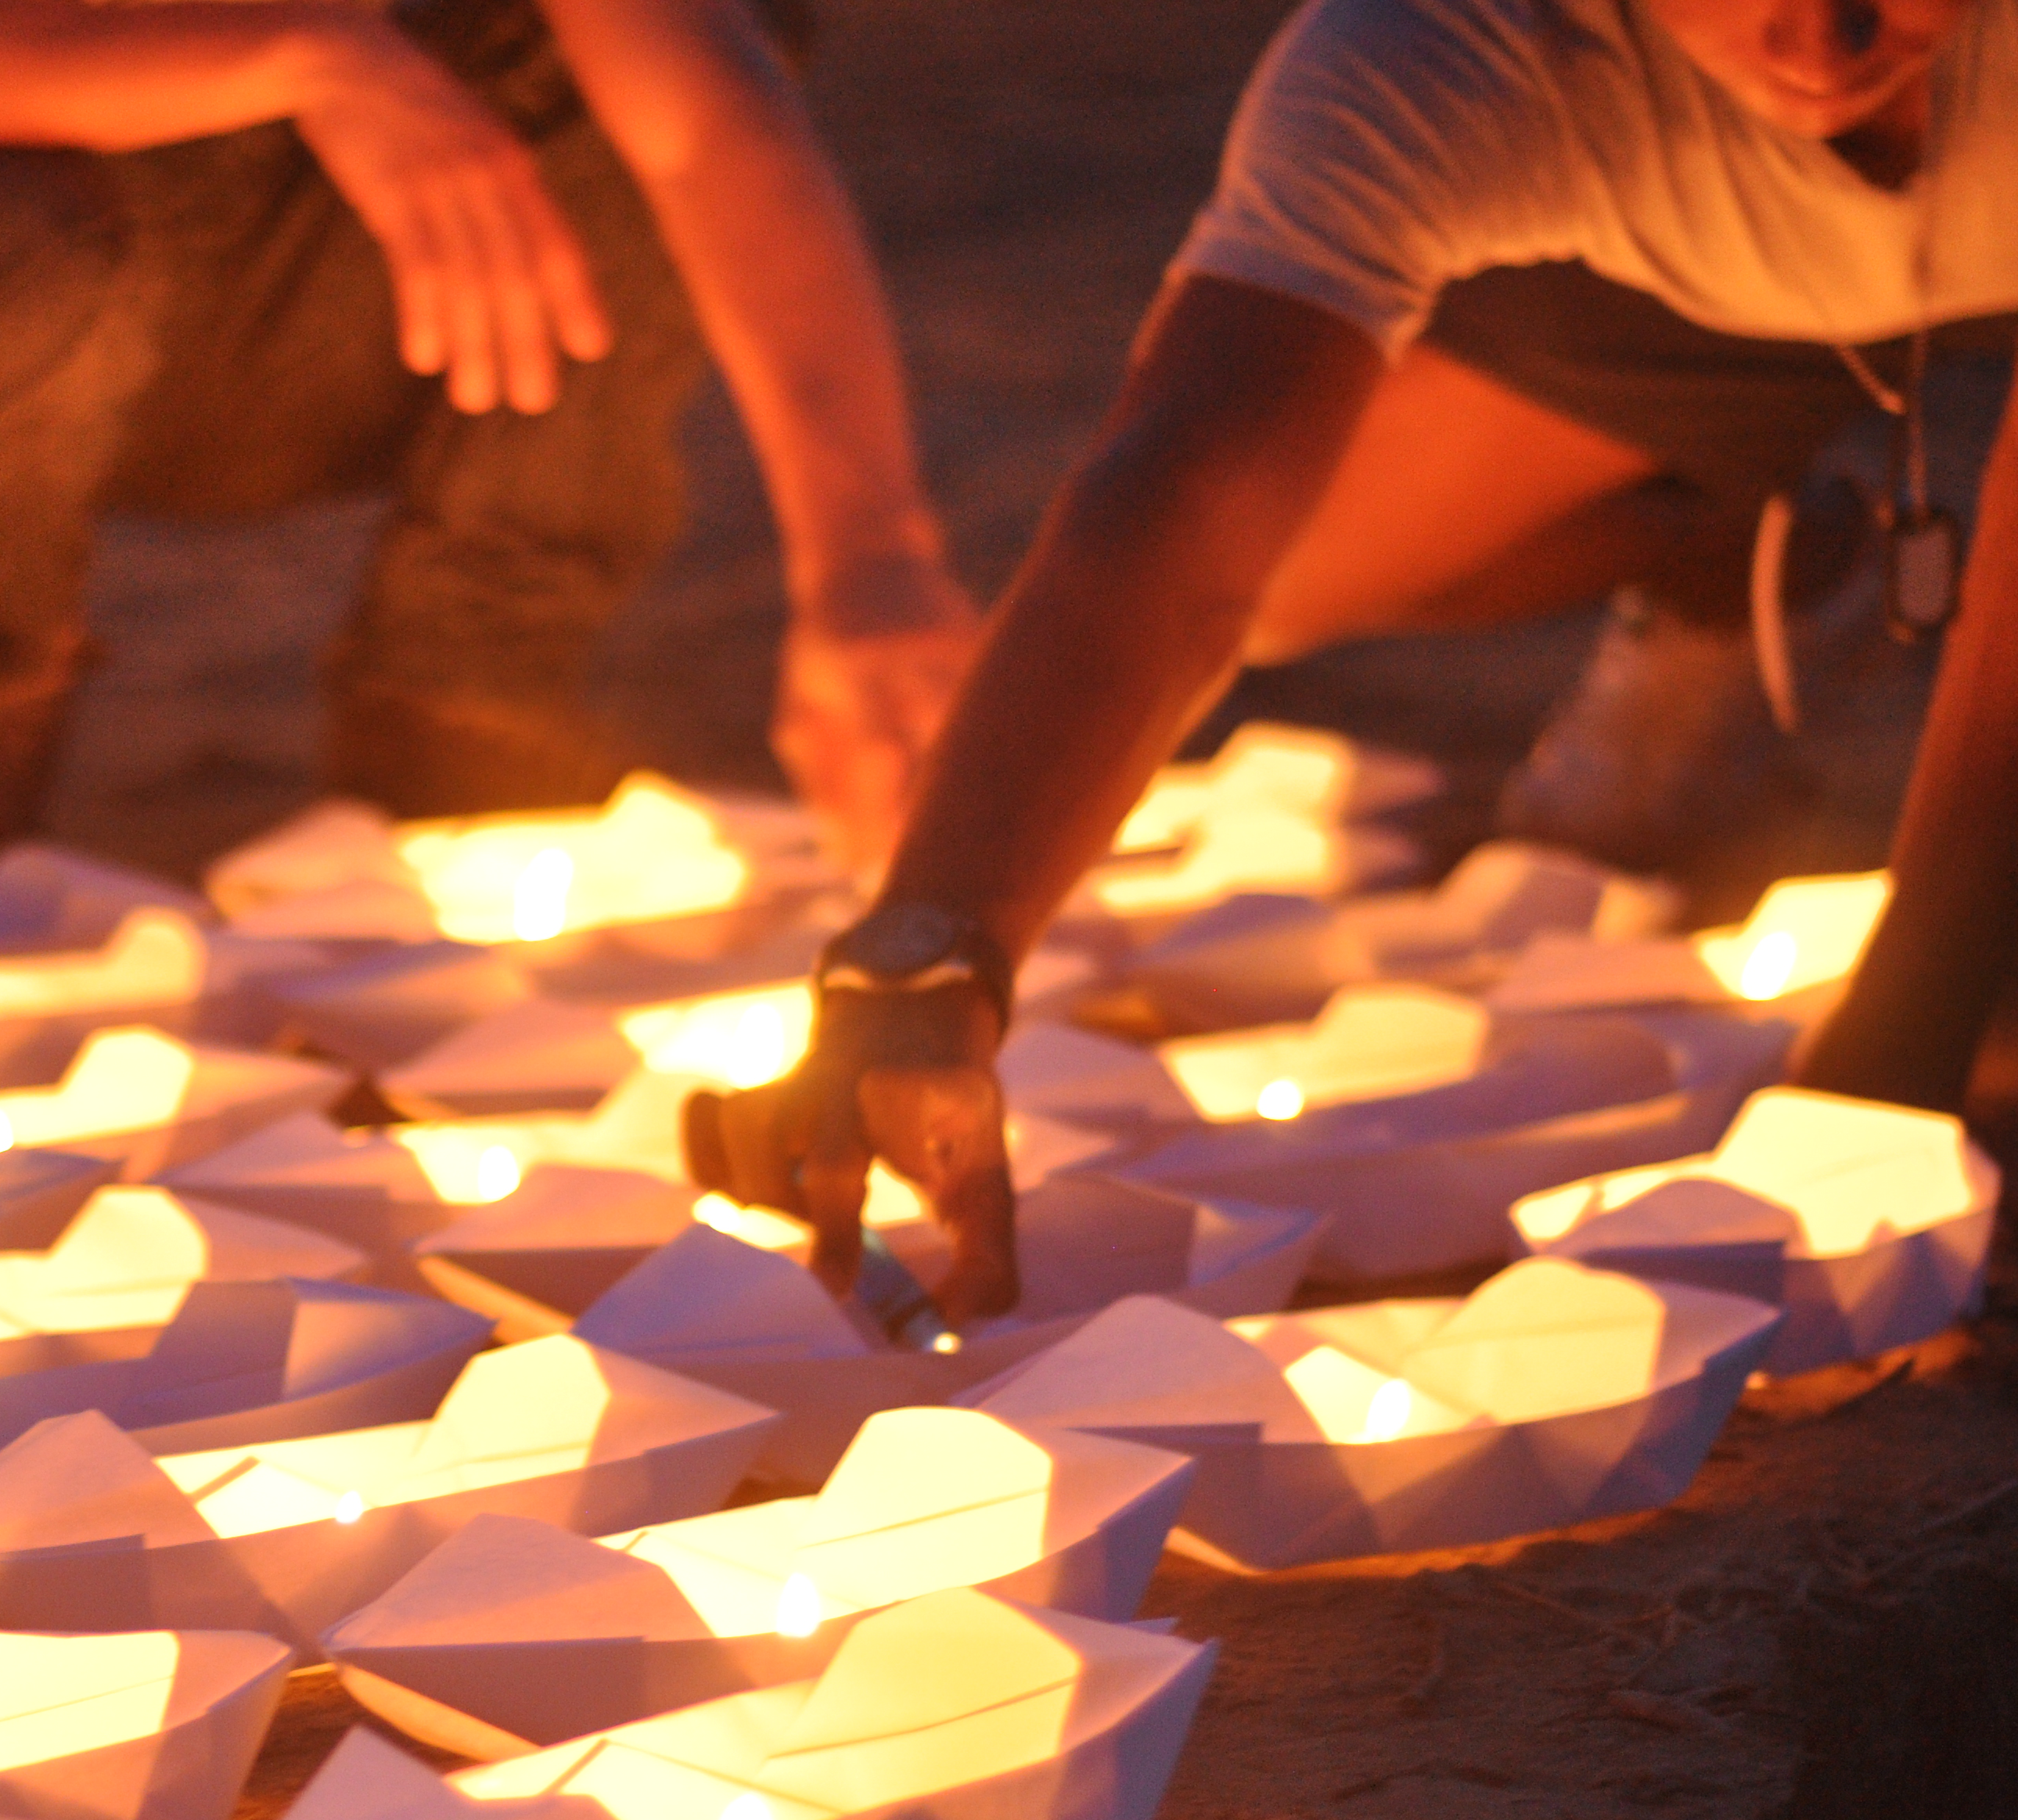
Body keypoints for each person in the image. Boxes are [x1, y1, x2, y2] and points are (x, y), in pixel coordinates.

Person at [684, 0, 2018, 1321]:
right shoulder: (1449, 51)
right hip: (1697, 304)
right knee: (1290, 566)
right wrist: (923, 960)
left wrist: (1908, 1032)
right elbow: (1183, 505)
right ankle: (1737, 550)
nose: (1825, 39)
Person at [0, 0, 979, 886]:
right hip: (30, 318)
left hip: (400, 300)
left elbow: (710, 126)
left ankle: (460, 698)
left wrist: (869, 558)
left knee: (650, 65)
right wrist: (314, 62)